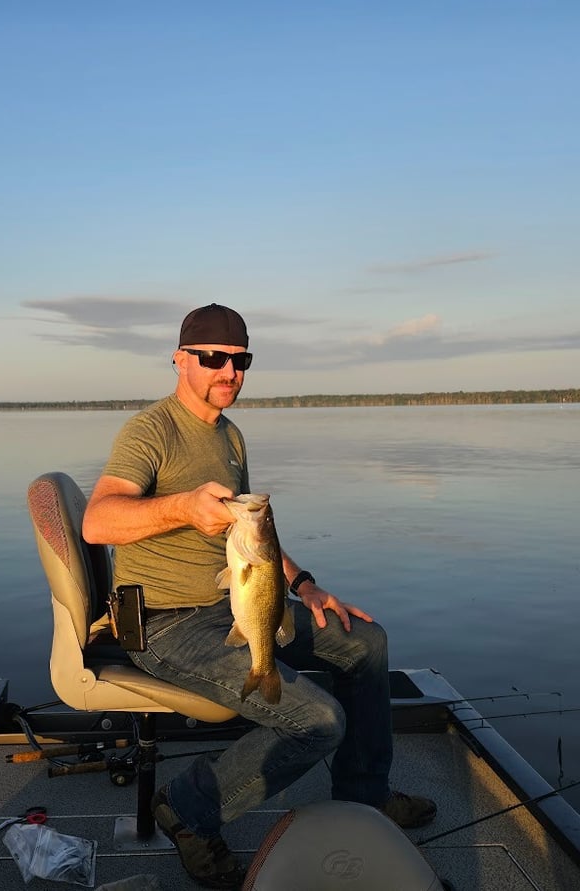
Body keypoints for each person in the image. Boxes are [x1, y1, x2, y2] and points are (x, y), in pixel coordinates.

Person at [83, 303, 437, 889]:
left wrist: (305, 584)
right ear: (180, 359)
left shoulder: (230, 435)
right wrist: (182, 507)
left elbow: (257, 537)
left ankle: (364, 796)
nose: (229, 372)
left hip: (236, 603)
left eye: (240, 360)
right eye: (213, 359)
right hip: (164, 624)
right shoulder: (150, 430)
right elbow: (98, 521)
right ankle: (187, 808)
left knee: (366, 642)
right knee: (319, 721)